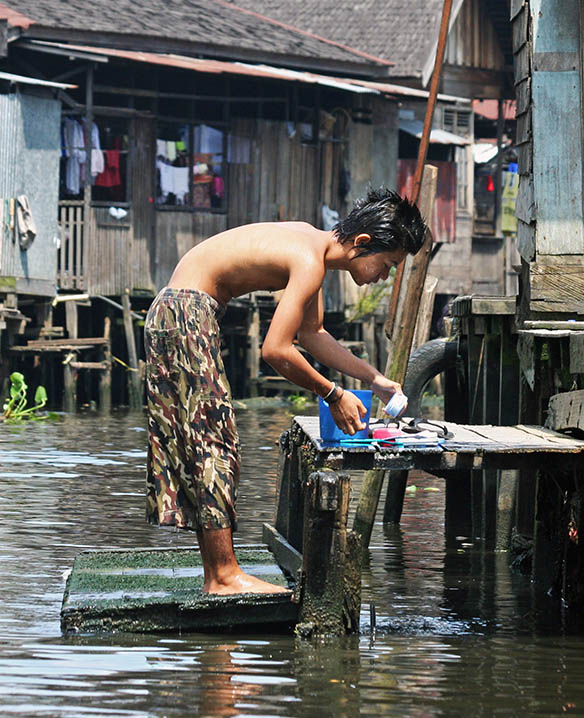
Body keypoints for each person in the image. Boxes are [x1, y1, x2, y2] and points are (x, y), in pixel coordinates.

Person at [145, 188, 429, 594]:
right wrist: (334, 394)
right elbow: (276, 350)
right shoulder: (309, 259)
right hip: (186, 312)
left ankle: (219, 573)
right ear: (362, 244)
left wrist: (372, 379)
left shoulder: (312, 244)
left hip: (180, 310)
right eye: (388, 265)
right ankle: (223, 577)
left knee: (206, 439)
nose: (385, 276)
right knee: (212, 442)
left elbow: (311, 335)